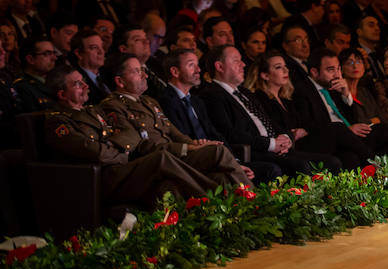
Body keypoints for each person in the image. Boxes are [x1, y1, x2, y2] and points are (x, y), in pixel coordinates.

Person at [44, 64, 226, 208]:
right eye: (77, 84)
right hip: (102, 179)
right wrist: (123, 152)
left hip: (123, 168)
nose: (85, 86)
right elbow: (96, 152)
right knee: (160, 158)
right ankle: (213, 200)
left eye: (84, 81)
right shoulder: (58, 122)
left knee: (168, 187)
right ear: (62, 94)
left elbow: (130, 134)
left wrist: (118, 148)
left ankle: (198, 228)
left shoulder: (93, 111)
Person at [99, 53, 250, 187]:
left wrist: (196, 143)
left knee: (221, 175)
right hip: (156, 161)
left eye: (143, 70)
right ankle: (253, 202)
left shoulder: (149, 102)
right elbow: (141, 145)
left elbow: (174, 132)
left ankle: (246, 209)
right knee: (218, 152)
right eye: (137, 71)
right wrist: (190, 148)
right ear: (120, 81)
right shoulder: (113, 106)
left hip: (173, 155)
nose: (144, 75)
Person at [196, 45, 337, 175]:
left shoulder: (245, 92)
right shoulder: (211, 95)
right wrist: (271, 144)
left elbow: (268, 121)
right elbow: (229, 133)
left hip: (274, 148)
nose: (243, 64)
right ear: (220, 67)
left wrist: (286, 137)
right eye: (236, 61)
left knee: (332, 162)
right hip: (254, 151)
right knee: (300, 166)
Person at [156, 48, 280, 183]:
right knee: (268, 170)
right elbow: (178, 137)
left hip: (217, 157)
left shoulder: (196, 101)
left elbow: (215, 134)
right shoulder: (165, 101)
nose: (198, 70)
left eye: (198, 65)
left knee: (268, 170)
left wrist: (235, 162)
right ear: (175, 71)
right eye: (191, 65)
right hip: (193, 161)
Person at [335, 48, 388, 162]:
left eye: (358, 62)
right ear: (341, 68)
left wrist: (374, 121)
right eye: (349, 63)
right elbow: (357, 120)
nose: (355, 66)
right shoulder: (338, 92)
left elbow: (380, 118)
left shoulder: (364, 91)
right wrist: (372, 121)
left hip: (376, 133)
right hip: (358, 137)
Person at [13, 37, 58, 112]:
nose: (54, 58)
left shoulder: (55, 82)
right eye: (47, 54)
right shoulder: (22, 88)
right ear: (31, 59)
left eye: (54, 53)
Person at [70, 29, 109, 105]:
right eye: (94, 47)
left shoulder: (109, 73)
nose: (101, 52)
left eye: (102, 47)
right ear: (79, 53)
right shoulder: (75, 81)